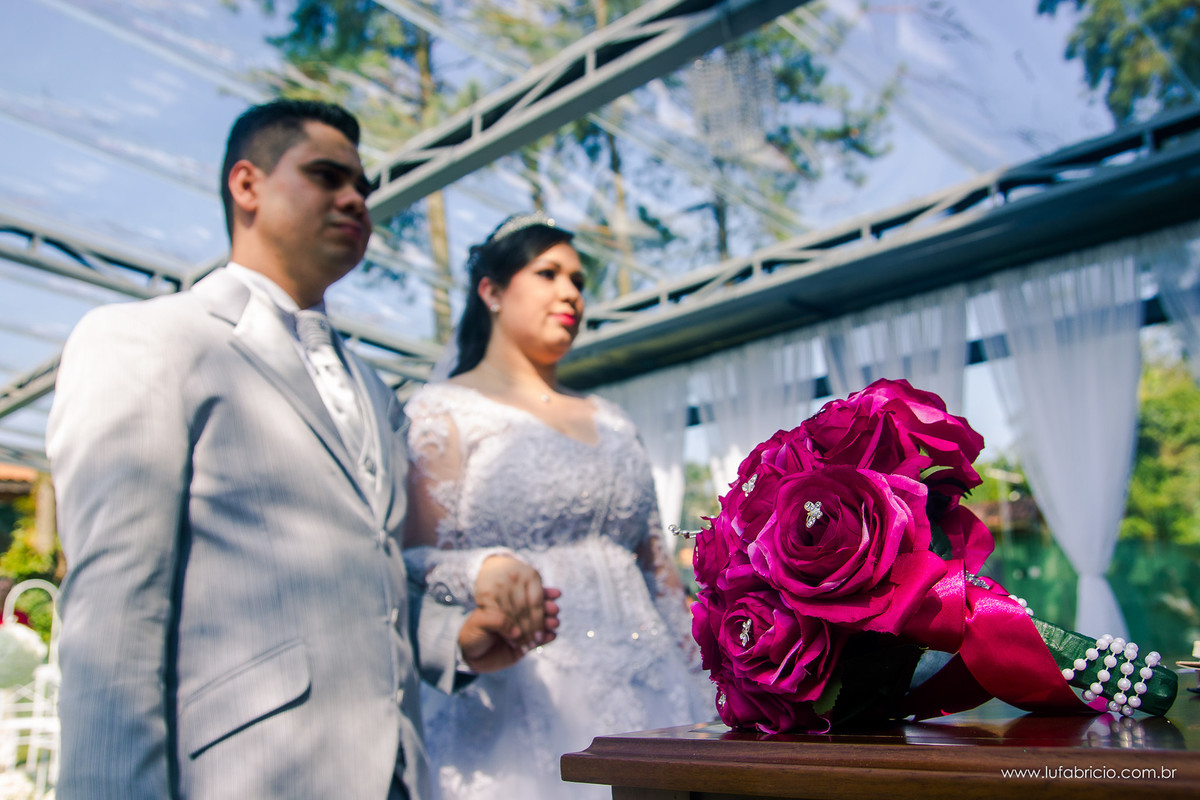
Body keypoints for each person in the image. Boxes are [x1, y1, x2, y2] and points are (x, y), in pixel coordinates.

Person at [46, 100, 556, 800]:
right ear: (247, 185)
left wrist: (451, 641)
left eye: (362, 187)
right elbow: (112, 621)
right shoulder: (146, 340)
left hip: (401, 775)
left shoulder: (374, 389)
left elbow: (362, 575)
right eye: (326, 176)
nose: (355, 199)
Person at [403, 213, 714, 799]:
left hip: (655, 688)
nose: (571, 292)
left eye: (578, 280)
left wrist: (710, 684)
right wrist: (484, 568)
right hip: (521, 692)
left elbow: (660, 575)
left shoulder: (614, 420)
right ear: (491, 291)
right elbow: (412, 561)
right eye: (548, 273)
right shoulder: (441, 413)